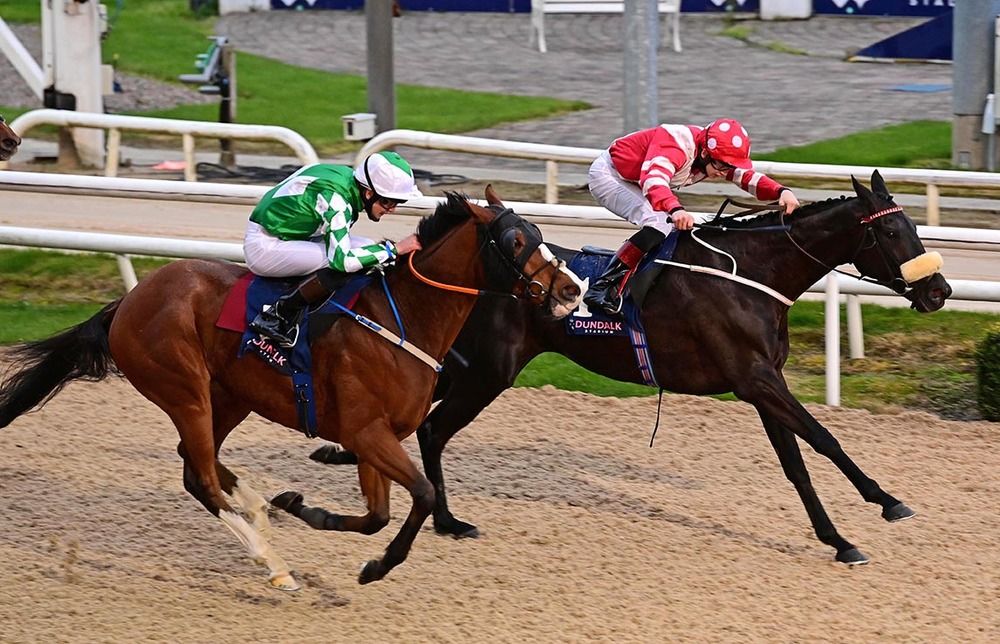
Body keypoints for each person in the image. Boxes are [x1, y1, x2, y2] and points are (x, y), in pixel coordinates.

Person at [584, 118, 801, 315]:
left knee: (675, 228)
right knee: (659, 223)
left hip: (635, 180)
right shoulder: (676, 145)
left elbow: (745, 177)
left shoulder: (713, 155)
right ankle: (602, 287)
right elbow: (653, 181)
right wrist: (675, 209)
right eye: (721, 165)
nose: (723, 172)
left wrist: (780, 191)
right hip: (610, 176)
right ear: (705, 153)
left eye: (728, 166)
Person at [244, 151, 424, 347]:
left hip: (292, 237)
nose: (392, 209)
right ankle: (278, 314)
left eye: (398, 203)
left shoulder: (348, 179)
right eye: (387, 202)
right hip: (265, 246)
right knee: (344, 261)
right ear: (369, 193)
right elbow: (341, 261)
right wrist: (393, 250)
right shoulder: (337, 200)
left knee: (364, 246)